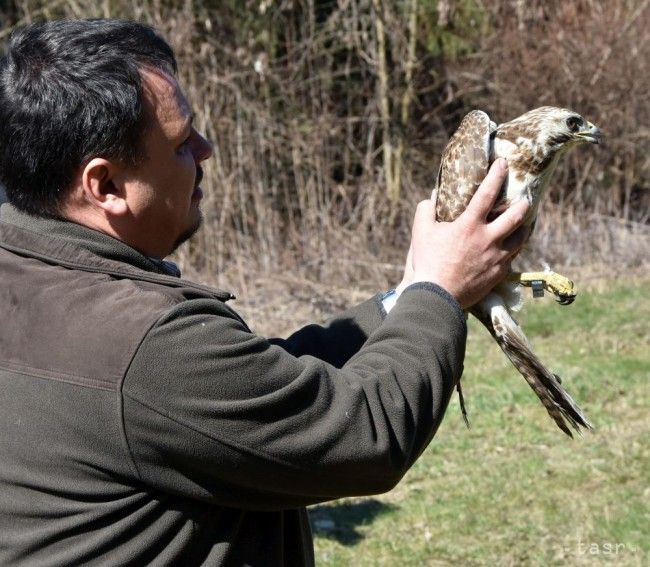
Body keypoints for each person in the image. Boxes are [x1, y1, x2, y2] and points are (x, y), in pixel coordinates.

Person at [0, 19, 528, 566]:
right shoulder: (144, 343)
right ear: (105, 185)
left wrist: (410, 295)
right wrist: (439, 291)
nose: (205, 150)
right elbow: (363, 437)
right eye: (182, 144)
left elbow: (246, 389)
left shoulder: (25, 268)